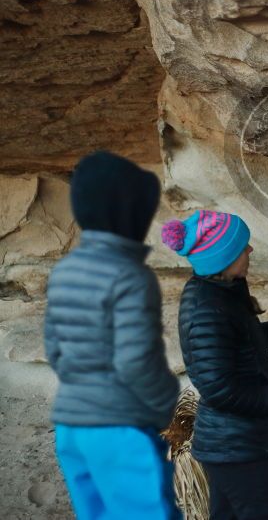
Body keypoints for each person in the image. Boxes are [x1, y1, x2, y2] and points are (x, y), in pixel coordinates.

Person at [162, 210, 268, 520]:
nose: (251, 250)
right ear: (222, 258)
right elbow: (217, 387)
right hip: (237, 448)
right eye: (243, 247)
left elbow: (249, 340)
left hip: (232, 445)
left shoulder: (220, 292)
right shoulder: (207, 309)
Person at [44, 151, 181, 520]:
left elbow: (54, 351)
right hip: (119, 427)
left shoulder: (65, 271)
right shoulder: (130, 276)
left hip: (71, 426)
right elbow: (136, 361)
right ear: (129, 214)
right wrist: (167, 401)